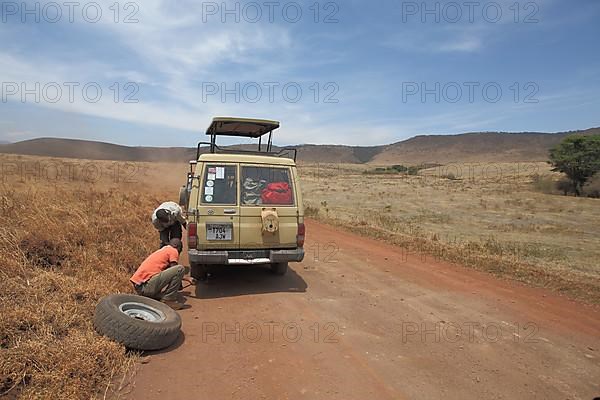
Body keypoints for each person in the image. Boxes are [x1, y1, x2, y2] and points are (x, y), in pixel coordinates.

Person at [130, 238, 185, 309]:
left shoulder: (163, 250)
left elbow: (168, 272)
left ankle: (155, 296)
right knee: (180, 268)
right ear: (178, 247)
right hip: (145, 286)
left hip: (140, 287)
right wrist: (179, 284)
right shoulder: (173, 250)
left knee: (163, 294)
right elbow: (175, 269)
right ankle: (168, 300)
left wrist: (185, 279)